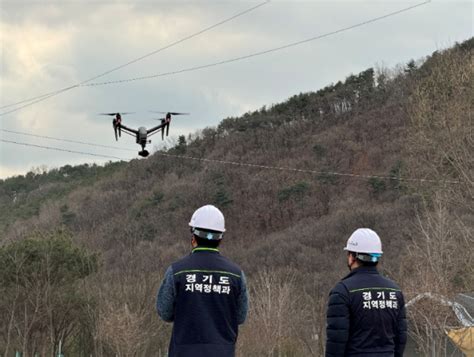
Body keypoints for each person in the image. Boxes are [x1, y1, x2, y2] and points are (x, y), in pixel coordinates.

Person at [157, 205, 249, 357]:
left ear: (193, 236)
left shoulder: (177, 271)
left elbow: (164, 312)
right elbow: (240, 316)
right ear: (220, 239)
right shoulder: (236, 275)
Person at [325, 228, 407, 357]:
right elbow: (401, 337)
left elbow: (336, 342)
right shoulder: (394, 290)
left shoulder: (342, 291)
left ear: (352, 257)